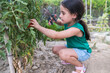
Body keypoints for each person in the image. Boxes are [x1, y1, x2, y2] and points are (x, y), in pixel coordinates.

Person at [30, 0, 92, 73]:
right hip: (73, 47)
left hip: (83, 52)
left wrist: (39, 27)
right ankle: (70, 59)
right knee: (55, 49)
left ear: (74, 15)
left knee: (62, 54)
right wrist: (55, 20)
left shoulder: (76, 29)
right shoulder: (69, 22)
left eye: (63, 13)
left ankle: (80, 67)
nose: (60, 15)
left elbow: (56, 35)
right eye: (60, 12)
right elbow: (60, 23)